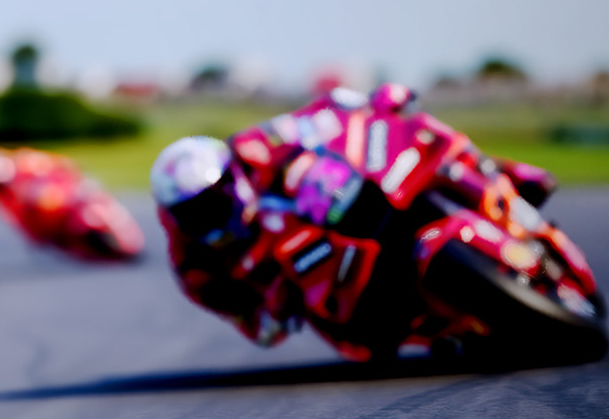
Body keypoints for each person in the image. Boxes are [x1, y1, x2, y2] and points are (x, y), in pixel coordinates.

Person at [149, 84, 557, 358]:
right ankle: (447, 328)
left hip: (349, 202)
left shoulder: (252, 148)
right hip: (326, 280)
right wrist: (275, 307)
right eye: (191, 212)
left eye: (211, 200)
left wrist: (362, 103)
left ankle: (501, 180)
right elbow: (257, 329)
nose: (205, 214)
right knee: (360, 346)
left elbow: (319, 117)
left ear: (229, 178)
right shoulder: (194, 266)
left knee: (425, 138)